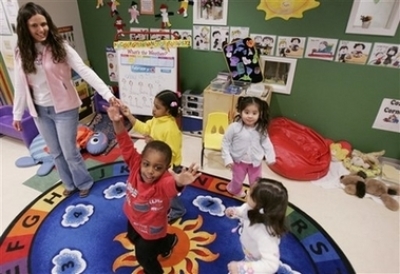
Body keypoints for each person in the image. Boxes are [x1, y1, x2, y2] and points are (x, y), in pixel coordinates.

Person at [12, 2, 120, 197]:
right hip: (39, 111)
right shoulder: (21, 51)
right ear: (24, 27)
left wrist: (108, 95)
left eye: (43, 24)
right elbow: (20, 84)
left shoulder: (59, 46)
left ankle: (84, 182)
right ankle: (69, 185)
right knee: (55, 152)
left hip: (64, 109)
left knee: (69, 151)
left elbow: (84, 71)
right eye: (34, 25)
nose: (41, 29)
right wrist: (17, 114)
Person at [106, 102, 201, 274]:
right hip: (133, 218)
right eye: (147, 164)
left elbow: (172, 187)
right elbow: (125, 142)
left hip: (152, 229)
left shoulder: (163, 182)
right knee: (133, 237)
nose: (150, 171)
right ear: (141, 160)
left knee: (144, 257)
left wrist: (180, 181)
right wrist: (117, 121)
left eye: (158, 168)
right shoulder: (135, 164)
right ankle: (169, 241)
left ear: (166, 169)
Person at [120, 90, 186, 223]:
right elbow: (145, 128)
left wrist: (152, 143)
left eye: (157, 107)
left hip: (170, 166)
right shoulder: (157, 120)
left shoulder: (171, 129)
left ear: (167, 111)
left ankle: (178, 210)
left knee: (169, 191)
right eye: (153, 105)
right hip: (160, 165)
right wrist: (129, 116)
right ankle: (160, 203)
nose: (153, 109)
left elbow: (171, 152)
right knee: (159, 188)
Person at [225, 178, 288, 274]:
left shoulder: (265, 233)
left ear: (260, 206)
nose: (247, 192)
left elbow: (270, 264)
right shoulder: (251, 208)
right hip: (250, 252)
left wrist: (242, 269)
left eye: (251, 194)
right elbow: (244, 211)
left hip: (259, 260)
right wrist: (234, 212)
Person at [221, 96, 276, 198]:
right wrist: (227, 159)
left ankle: (254, 195)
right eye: (247, 112)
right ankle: (234, 190)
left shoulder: (261, 129)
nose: (250, 116)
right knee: (237, 180)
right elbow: (225, 142)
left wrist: (270, 156)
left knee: (256, 182)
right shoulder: (234, 127)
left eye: (254, 113)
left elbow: (267, 144)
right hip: (238, 162)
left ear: (259, 114)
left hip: (255, 163)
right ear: (241, 111)